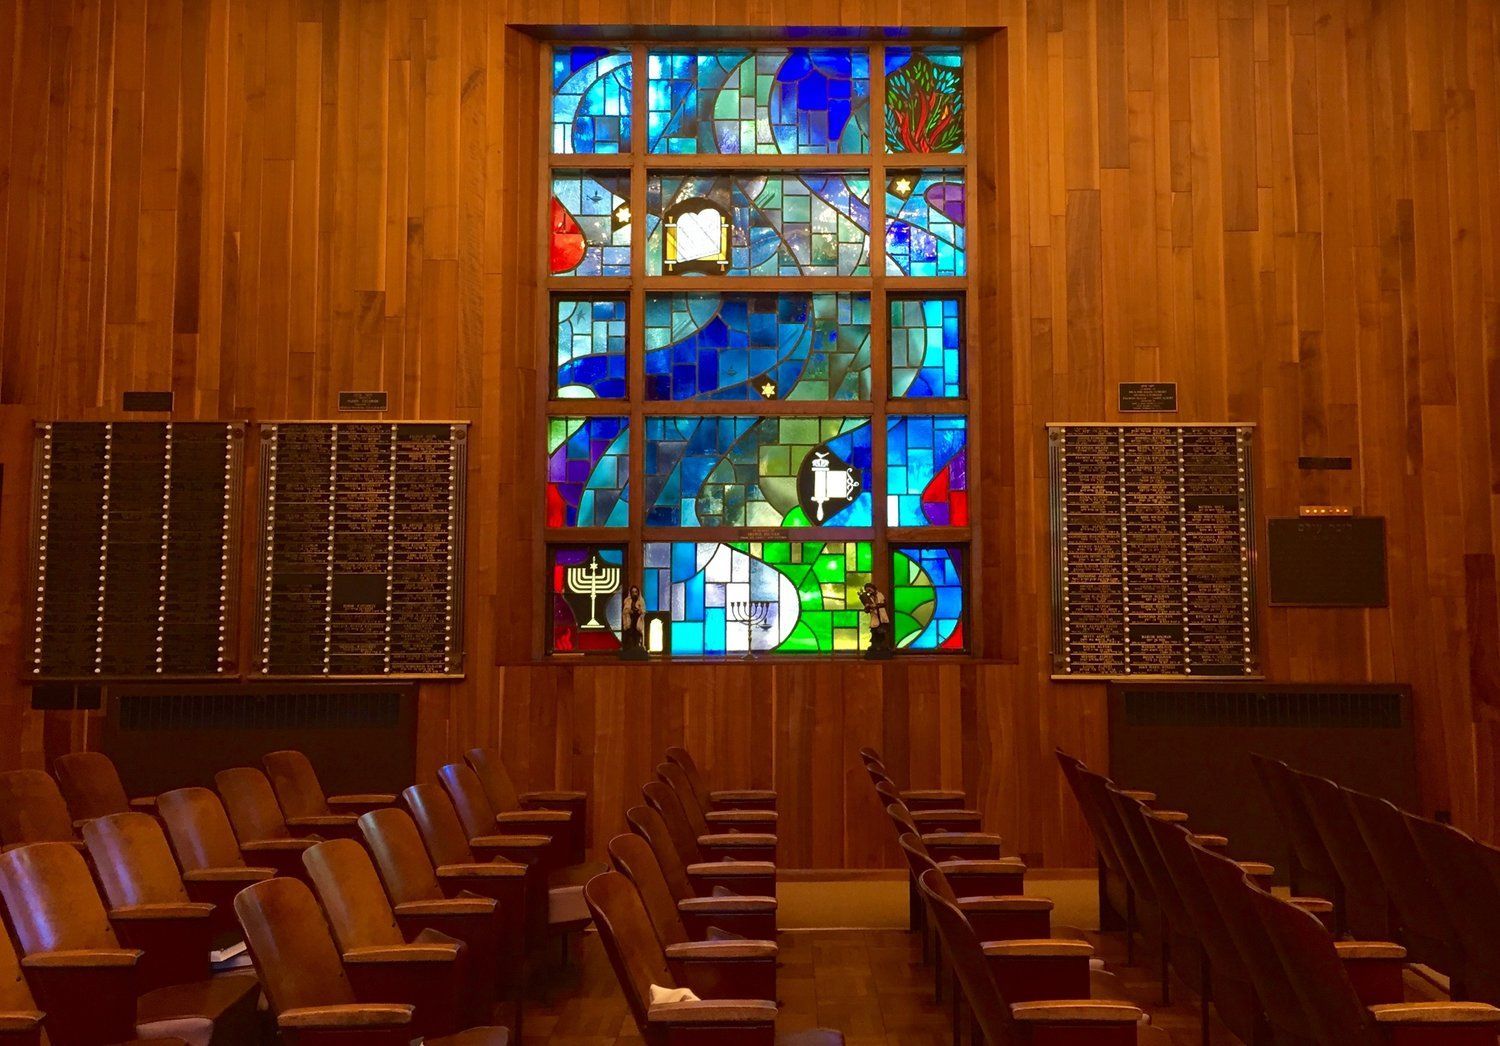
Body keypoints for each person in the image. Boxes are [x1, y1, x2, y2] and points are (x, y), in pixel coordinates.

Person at [860, 583, 893, 657]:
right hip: (874, 617)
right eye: (867, 590)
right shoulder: (868, 598)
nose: (869, 591)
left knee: (882, 632)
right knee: (875, 632)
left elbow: (884, 603)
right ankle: (875, 646)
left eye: (869, 589)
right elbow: (867, 609)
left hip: (882, 616)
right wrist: (868, 607)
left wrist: (877, 605)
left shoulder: (880, 595)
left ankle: (882, 645)